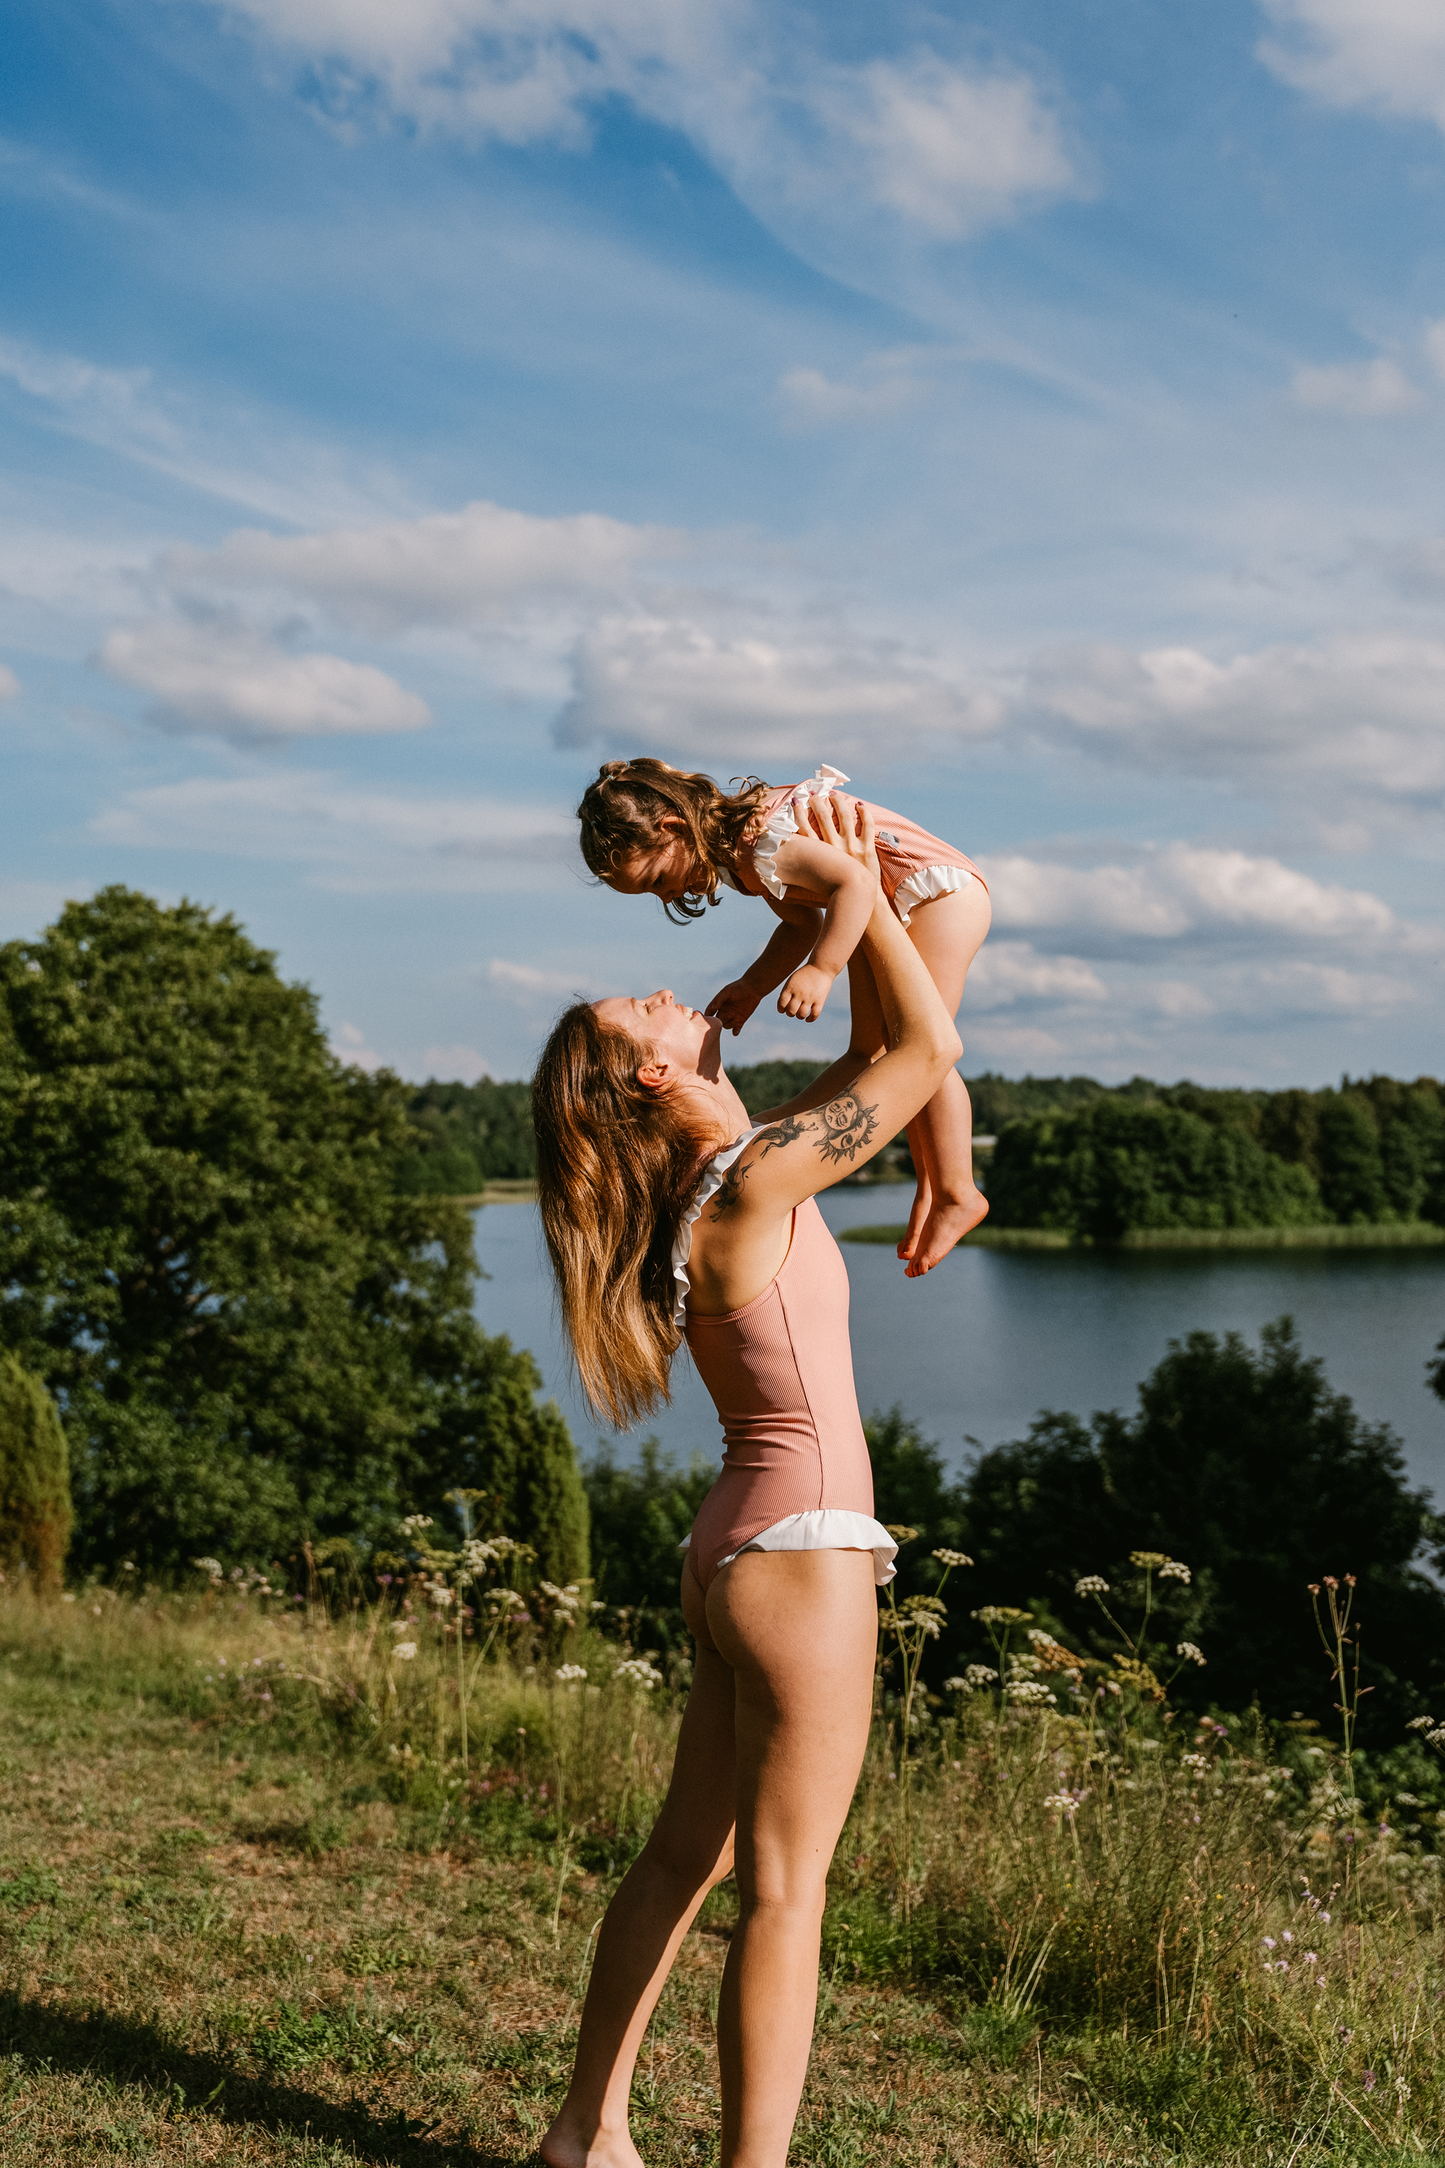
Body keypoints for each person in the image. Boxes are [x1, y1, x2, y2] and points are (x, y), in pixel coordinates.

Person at [533, 793, 962, 2168]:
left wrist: (840, 907)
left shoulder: (723, 1187)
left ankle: (584, 2134)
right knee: (786, 1896)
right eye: (645, 1011)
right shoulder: (756, 1184)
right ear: (653, 1080)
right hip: (803, 1555)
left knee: (687, 1858)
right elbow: (930, 1045)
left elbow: (888, 1051)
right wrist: (864, 886)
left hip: (734, 1549)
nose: (672, 992)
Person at [576, 755, 991, 1276]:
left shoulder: (759, 839)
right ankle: (933, 1183)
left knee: (921, 1047)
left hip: (933, 894)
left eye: (659, 879)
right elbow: (798, 924)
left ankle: (957, 1189)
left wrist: (822, 969)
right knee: (871, 1054)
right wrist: (753, 985)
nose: (668, 895)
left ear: (673, 828)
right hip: (885, 903)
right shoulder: (738, 861)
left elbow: (853, 885)